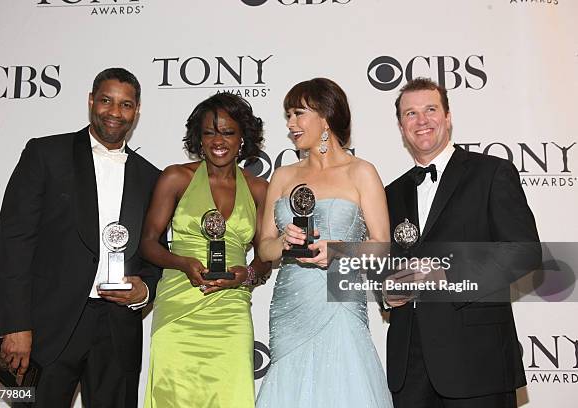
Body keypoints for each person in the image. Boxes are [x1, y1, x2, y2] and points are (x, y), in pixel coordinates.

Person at [0, 67, 162, 407]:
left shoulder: (150, 177)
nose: (115, 112)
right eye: (107, 101)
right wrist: (15, 324)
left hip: (117, 329)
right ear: (90, 101)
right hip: (47, 327)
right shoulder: (46, 154)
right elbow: (14, 243)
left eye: (126, 105)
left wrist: (145, 289)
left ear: (137, 111)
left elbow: (155, 252)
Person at [384, 77, 541, 408]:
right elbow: (386, 264)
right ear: (401, 127)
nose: (421, 120)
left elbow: (523, 253)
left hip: (477, 360)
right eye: (410, 114)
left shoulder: (492, 173)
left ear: (448, 116)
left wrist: (447, 278)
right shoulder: (390, 193)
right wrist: (385, 291)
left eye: (430, 109)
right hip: (410, 368)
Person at [256, 78, 393, 408]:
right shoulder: (284, 176)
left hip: (340, 295)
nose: (291, 124)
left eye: (299, 113)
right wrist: (285, 243)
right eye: (288, 115)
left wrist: (337, 250)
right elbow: (264, 247)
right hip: (291, 302)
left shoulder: (360, 172)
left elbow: (383, 245)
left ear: (326, 117)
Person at [139, 92, 270, 408]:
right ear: (198, 137)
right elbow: (147, 243)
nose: (218, 140)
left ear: (243, 138)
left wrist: (246, 274)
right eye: (210, 132)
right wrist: (182, 263)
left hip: (231, 312)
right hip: (178, 307)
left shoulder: (260, 190)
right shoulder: (176, 177)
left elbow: (265, 258)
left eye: (228, 132)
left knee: (230, 396)